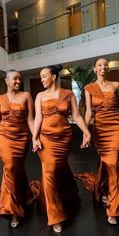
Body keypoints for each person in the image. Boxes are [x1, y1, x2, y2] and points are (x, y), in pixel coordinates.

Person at [32, 65, 91, 232]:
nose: (42, 79)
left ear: (54, 76)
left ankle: (68, 193)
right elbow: (38, 118)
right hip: (46, 139)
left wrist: (87, 132)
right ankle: (55, 215)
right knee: (49, 172)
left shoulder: (68, 94)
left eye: (44, 76)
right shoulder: (40, 96)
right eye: (41, 76)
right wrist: (34, 137)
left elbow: (77, 116)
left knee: (59, 169)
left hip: (64, 138)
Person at [76, 58, 119, 224]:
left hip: (115, 128)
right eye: (99, 65)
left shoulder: (116, 85)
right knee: (106, 164)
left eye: (105, 64)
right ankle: (103, 190)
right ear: (94, 69)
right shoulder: (89, 88)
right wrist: (86, 133)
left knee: (113, 164)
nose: (103, 66)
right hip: (100, 130)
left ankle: (113, 209)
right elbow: (88, 113)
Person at [0, 69, 34, 228]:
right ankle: (12, 210)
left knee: (16, 169)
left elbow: (30, 119)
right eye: (15, 79)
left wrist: (36, 137)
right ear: (6, 80)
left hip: (22, 137)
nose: (18, 82)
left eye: (19, 79)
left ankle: (24, 195)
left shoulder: (26, 96)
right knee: (9, 167)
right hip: (4, 136)